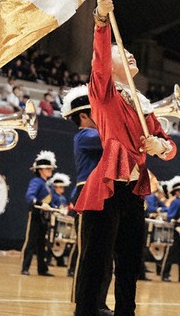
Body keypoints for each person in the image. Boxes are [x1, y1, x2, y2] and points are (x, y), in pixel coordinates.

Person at [74, 0, 176, 316]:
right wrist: (102, 21)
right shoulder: (105, 94)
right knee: (97, 261)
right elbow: (100, 60)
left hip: (133, 191)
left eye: (132, 53)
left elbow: (169, 146)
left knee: (130, 263)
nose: (131, 56)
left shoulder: (143, 107)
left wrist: (161, 147)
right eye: (124, 52)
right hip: (106, 187)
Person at [62, 85, 113, 314]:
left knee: (105, 256)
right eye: (95, 112)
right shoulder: (84, 135)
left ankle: (99, 303)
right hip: (87, 194)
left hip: (105, 193)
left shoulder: (95, 134)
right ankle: (83, 305)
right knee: (88, 254)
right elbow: (111, 139)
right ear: (83, 115)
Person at [21, 151, 57, 277]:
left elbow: (50, 201)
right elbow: (29, 196)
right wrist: (42, 205)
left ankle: (42, 269)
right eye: (48, 168)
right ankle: (25, 268)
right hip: (36, 215)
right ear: (41, 170)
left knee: (42, 244)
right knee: (31, 242)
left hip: (44, 217)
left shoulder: (47, 185)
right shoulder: (36, 181)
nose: (50, 170)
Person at [160, 176, 180, 283]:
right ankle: (165, 275)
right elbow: (170, 217)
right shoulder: (175, 202)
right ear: (178, 192)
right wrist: (177, 227)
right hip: (176, 231)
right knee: (171, 254)